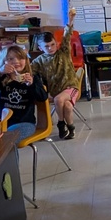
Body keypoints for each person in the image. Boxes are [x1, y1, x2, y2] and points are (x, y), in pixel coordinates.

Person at [31, 8, 81, 140]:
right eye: (46, 46)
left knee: (59, 100)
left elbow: (67, 35)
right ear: (40, 48)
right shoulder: (38, 61)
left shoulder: (63, 52)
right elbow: (30, 73)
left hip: (71, 87)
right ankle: (71, 129)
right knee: (67, 106)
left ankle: (60, 123)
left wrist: (70, 20)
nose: (51, 48)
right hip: (55, 91)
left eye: (53, 44)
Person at [0, 44, 47, 141]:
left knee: (7, 141)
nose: (16, 62)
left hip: (25, 123)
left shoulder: (33, 78)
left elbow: (42, 97)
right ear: (3, 61)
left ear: (25, 60)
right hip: (2, 123)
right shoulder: (1, 78)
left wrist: (31, 85)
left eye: (20, 58)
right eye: (11, 59)